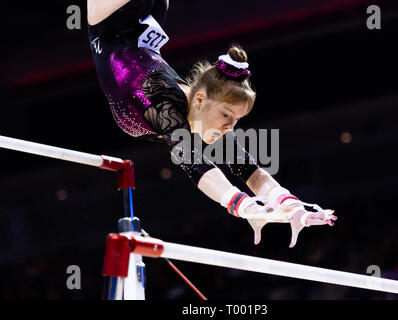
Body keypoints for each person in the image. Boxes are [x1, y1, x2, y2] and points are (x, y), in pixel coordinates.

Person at [87, 0, 337, 248]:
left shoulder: (207, 115)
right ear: (199, 99)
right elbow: (194, 162)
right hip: (112, 21)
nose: (231, 127)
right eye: (227, 115)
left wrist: (292, 207)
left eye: (236, 120)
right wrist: (244, 205)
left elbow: (250, 171)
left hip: (126, 18)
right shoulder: (163, 103)